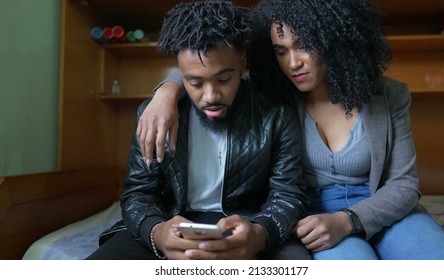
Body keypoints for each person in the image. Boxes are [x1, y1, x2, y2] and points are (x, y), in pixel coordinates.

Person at [136, 0, 444, 259]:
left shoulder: (388, 94)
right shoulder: (272, 96)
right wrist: (166, 91)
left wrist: (350, 219)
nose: (293, 63)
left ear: (334, 39)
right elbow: (211, 73)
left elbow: (405, 184)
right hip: (312, 218)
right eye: (281, 50)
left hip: (385, 208)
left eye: (305, 46)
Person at [87, 0, 310, 260]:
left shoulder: (276, 113)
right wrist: (158, 233)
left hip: (250, 222)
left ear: (242, 61)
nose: (210, 96)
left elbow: (288, 193)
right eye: (194, 82)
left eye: (223, 79)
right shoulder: (154, 115)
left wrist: (260, 234)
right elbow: (138, 193)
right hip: (172, 221)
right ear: (180, 73)